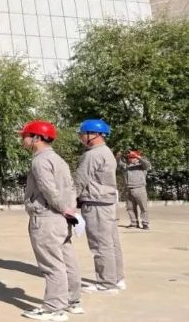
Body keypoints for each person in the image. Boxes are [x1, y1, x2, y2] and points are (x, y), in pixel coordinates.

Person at [18, 121, 83, 321]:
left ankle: (54, 309)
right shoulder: (58, 159)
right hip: (62, 218)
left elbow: (49, 190)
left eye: (25, 136)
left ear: (37, 138)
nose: (22, 139)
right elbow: (71, 188)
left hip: (47, 217)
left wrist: (63, 208)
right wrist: (69, 211)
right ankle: (72, 301)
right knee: (67, 260)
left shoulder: (40, 161)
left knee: (52, 265)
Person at [75, 119, 125, 294]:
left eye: (83, 133)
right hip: (107, 202)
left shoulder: (92, 155)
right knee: (111, 243)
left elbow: (80, 180)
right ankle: (117, 278)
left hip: (96, 203)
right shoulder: (107, 152)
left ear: (93, 134)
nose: (81, 137)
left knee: (100, 244)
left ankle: (106, 282)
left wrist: (68, 201)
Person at [117, 150, 151, 230]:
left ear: (136, 158)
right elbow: (119, 163)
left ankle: (145, 224)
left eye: (132, 157)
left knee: (143, 208)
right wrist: (118, 156)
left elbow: (147, 164)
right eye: (129, 158)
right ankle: (134, 223)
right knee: (130, 208)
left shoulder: (141, 166)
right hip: (128, 189)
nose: (130, 159)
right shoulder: (126, 166)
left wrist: (137, 156)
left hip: (140, 188)